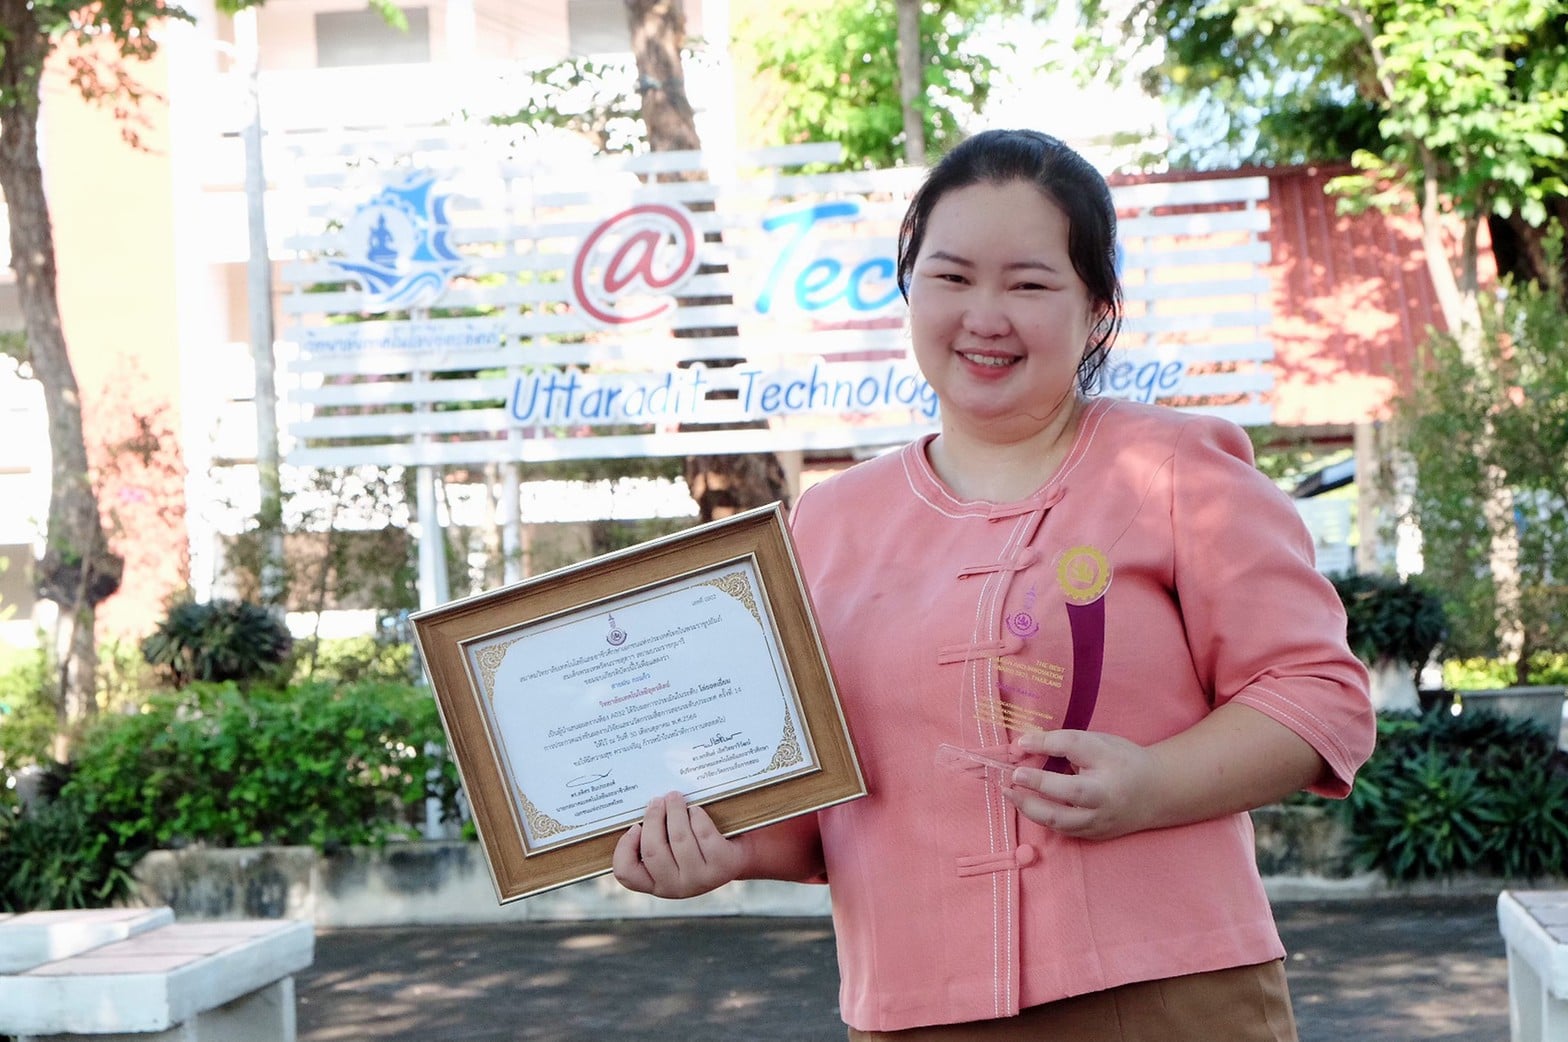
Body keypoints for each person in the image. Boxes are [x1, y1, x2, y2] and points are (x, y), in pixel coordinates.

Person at [613, 128, 1376, 1041]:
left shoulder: (1178, 468)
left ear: (1097, 308)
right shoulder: (826, 524)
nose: (985, 313)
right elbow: (820, 797)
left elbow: (1317, 698)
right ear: (909, 289)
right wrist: (718, 848)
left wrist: (1152, 783)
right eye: (951, 276)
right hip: (913, 1006)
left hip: (1168, 995)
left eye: (1028, 282)